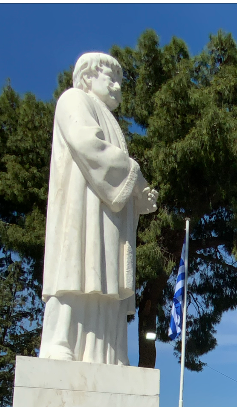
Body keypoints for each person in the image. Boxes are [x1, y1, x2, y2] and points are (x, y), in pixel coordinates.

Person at [39, 52, 158, 364]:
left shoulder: (112, 121)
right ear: (89, 76)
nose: (118, 86)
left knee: (106, 279)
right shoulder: (73, 99)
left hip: (109, 215)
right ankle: (61, 341)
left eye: (120, 81)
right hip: (83, 208)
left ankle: (106, 352)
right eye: (112, 78)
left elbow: (121, 174)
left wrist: (139, 196)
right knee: (76, 267)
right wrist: (136, 179)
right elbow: (89, 145)